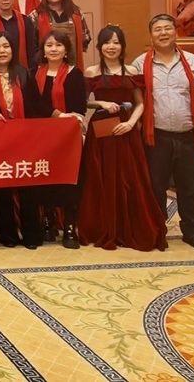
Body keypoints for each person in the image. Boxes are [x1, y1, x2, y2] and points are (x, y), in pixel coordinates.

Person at [131, 14, 194, 251]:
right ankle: (156, 231)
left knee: (189, 188)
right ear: (151, 36)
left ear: (176, 32)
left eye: (167, 28)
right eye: (157, 29)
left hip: (188, 135)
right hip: (155, 137)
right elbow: (133, 98)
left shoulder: (192, 61)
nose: (163, 33)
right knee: (155, 188)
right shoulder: (140, 64)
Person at [81, 25, 167, 251]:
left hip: (126, 131)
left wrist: (130, 123)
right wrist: (101, 103)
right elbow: (83, 101)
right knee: (101, 178)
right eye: (107, 42)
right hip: (101, 131)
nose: (111, 46)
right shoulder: (91, 72)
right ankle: (103, 227)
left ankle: (128, 228)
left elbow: (140, 103)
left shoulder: (131, 71)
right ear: (99, 46)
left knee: (129, 179)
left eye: (116, 42)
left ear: (122, 46)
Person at [0, 32, 42, 249]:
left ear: (13, 49)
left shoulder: (25, 74)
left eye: (6, 46)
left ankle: (32, 235)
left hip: (24, 138)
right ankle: (7, 235)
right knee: (3, 188)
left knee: (28, 187)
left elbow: (36, 107)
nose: (2, 51)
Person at [32, 30, 87, 249]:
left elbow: (79, 107)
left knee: (69, 180)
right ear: (43, 50)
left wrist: (66, 119)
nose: (53, 49)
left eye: (58, 45)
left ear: (66, 50)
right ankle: (48, 220)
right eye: (49, 45)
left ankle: (70, 225)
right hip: (42, 137)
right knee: (45, 178)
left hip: (68, 137)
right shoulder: (35, 74)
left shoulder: (75, 74)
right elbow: (34, 104)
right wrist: (58, 115)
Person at [30, 0, 91, 68]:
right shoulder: (36, 16)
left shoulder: (76, 14)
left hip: (73, 65)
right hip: (46, 66)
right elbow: (31, 43)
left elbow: (86, 37)